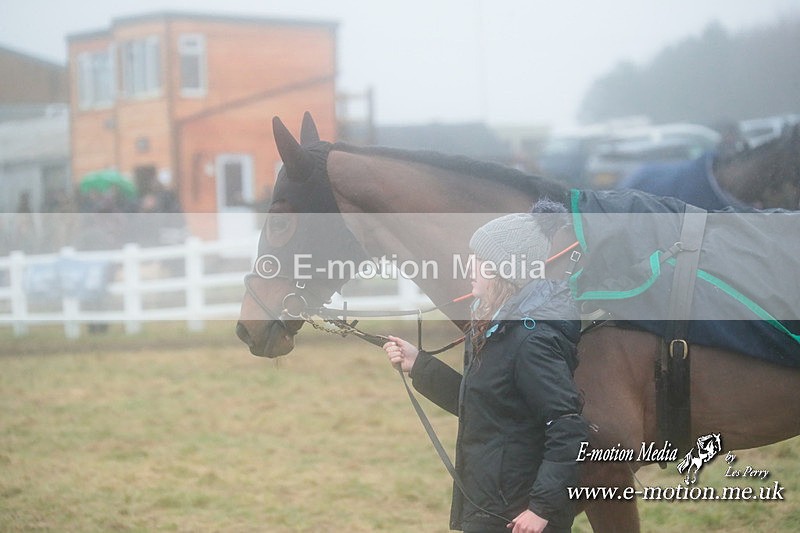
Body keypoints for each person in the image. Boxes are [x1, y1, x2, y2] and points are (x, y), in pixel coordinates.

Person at [383, 205, 588, 533]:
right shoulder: (494, 328)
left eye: (481, 260)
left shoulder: (530, 340)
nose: (471, 267)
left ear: (506, 271)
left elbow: (567, 428)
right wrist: (419, 365)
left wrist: (541, 510)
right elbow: (487, 406)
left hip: (518, 518)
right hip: (490, 508)